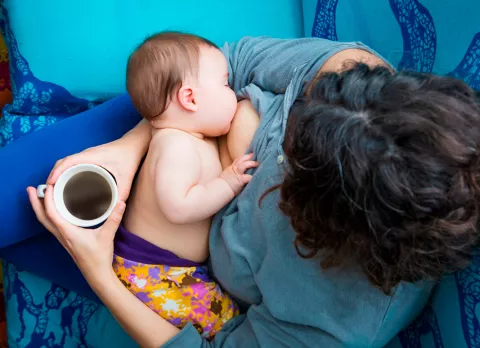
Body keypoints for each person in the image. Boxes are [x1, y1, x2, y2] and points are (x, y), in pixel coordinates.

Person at [27, 36, 480, 347]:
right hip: (160, 131)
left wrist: (97, 271)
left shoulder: (340, 324)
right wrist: (128, 148)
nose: (280, 149)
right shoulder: (351, 81)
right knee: (19, 192)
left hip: (158, 267)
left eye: (289, 165)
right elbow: (220, 65)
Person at [115, 32, 259, 338]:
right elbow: (178, 208)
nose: (232, 91)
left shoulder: (189, 137)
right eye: (224, 84)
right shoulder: (175, 147)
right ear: (190, 98)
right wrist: (227, 182)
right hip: (156, 273)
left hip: (168, 270)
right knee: (226, 325)